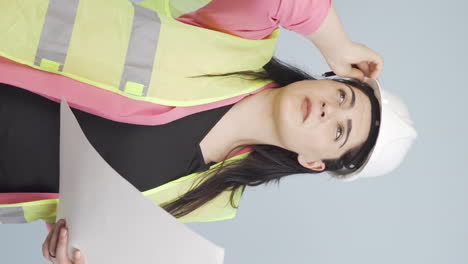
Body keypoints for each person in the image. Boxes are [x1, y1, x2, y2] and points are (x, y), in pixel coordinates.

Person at [0, 0, 416, 263]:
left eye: (339, 132)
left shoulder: (213, 200)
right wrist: (338, 43)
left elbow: (78, 197)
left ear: (313, 162)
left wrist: (72, 249)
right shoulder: (239, 40)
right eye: (343, 96)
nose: (329, 110)